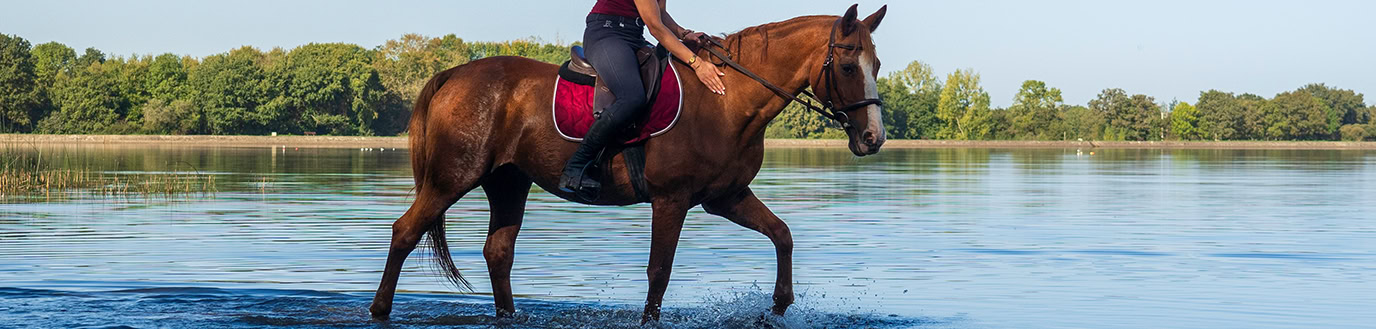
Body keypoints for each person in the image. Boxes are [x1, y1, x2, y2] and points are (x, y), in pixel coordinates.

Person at [559, 0, 728, 200]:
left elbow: (661, 14)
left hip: (633, 36)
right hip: (606, 35)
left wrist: (684, 33)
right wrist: (697, 64)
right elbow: (655, 26)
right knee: (632, 97)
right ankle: (576, 165)